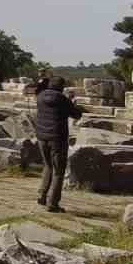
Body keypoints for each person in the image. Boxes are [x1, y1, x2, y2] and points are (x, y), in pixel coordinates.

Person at [34, 76, 83, 213]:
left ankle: (42, 195)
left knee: (48, 166)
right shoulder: (62, 99)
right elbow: (76, 114)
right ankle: (52, 203)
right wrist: (73, 102)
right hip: (57, 138)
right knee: (59, 171)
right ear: (62, 87)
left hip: (41, 137)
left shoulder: (40, 96)